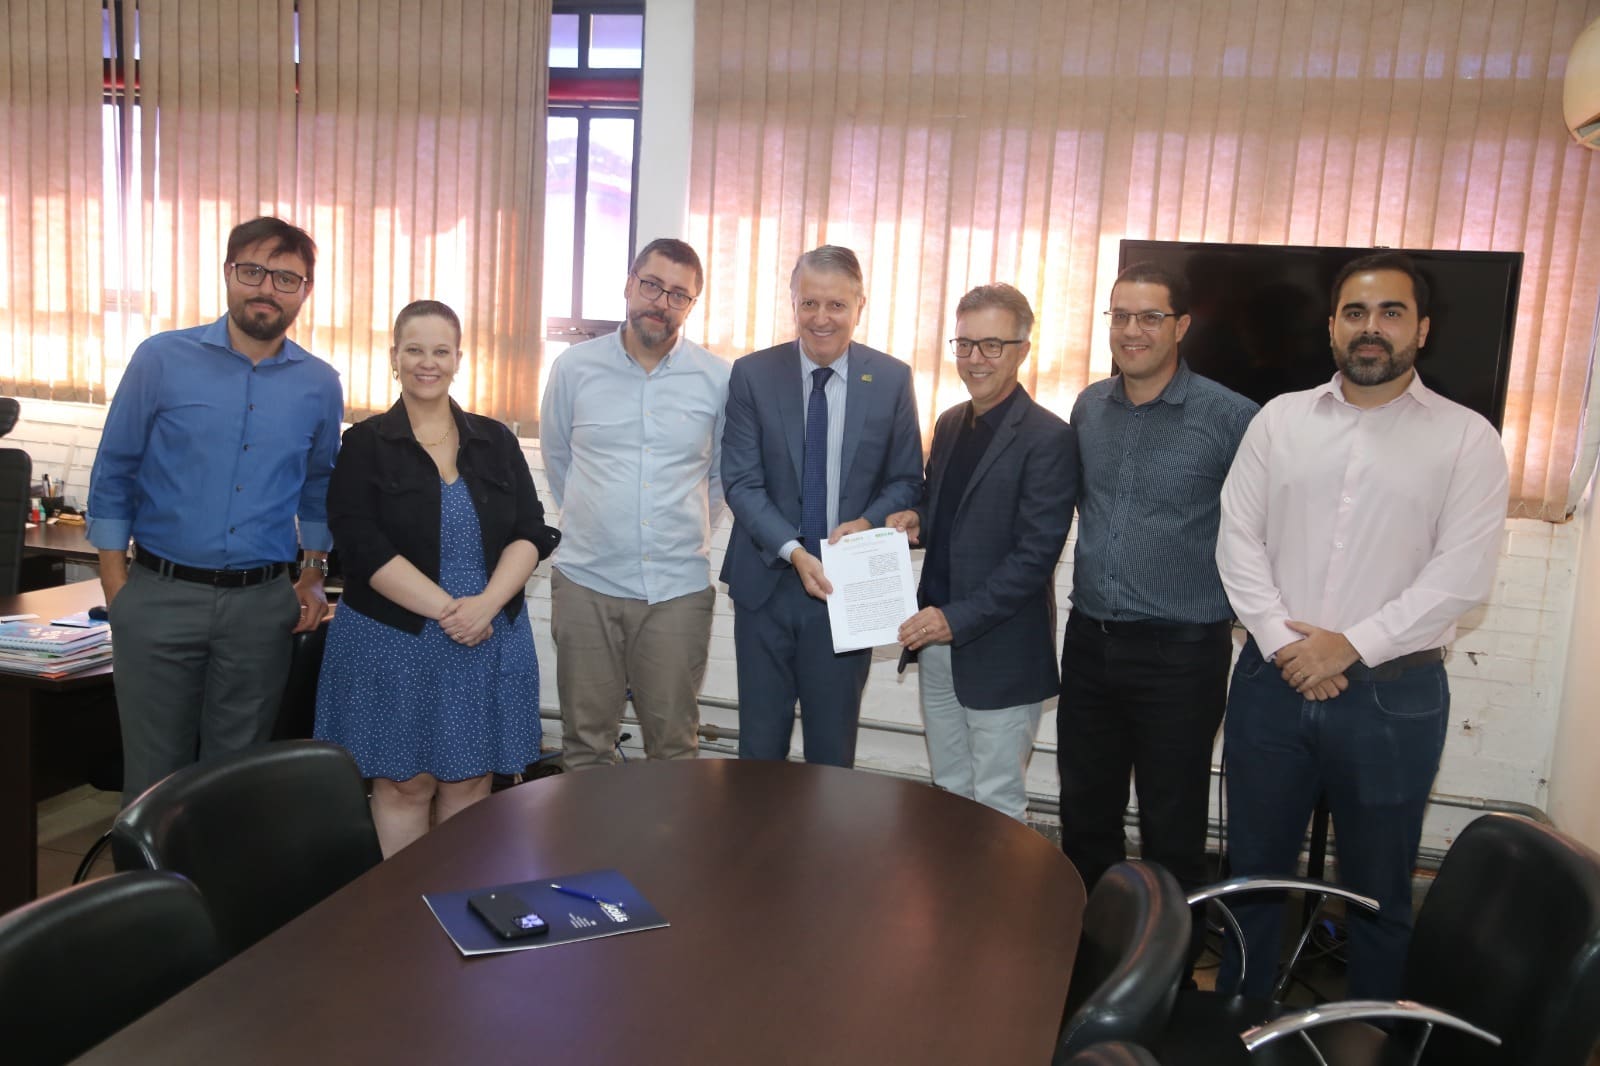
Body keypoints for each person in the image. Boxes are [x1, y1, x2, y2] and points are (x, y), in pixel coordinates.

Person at [1215, 251, 1509, 1000]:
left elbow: (1461, 576)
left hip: (1392, 698)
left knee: (1379, 888)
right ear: (1332, 327)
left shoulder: (1467, 439)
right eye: (1355, 312)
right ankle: (1238, 1024)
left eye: (1390, 312)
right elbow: (1237, 540)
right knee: (1253, 875)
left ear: (1422, 329)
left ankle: (1375, 1029)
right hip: (1271, 685)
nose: (1370, 327)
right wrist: (1287, 647)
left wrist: (1347, 646)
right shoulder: (1279, 420)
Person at [87, 216, 342, 804]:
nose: (267, 289)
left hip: (260, 608)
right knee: (153, 784)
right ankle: (148, 872)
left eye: (285, 278)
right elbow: (115, 467)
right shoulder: (160, 359)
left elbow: (319, 485)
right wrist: (116, 584)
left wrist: (312, 573)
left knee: (235, 784)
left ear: (305, 290)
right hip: (158, 596)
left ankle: (222, 871)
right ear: (228, 273)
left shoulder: (320, 384)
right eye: (253, 271)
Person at [314, 300, 560, 856]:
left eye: (441, 351)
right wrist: (453, 612)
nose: (428, 362)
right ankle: (400, 906)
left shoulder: (496, 440)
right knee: (404, 785)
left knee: (470, 783)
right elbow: (360, 545)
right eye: (415, 350)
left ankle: (454, 903)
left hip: (486, 635)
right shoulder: (365, 444)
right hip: (394, 639)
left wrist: (485, 605)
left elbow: (531, 530)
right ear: (394, 358)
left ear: (458, 359)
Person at [1056, 262, 1258, 902]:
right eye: (1120, 316)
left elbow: (1266, 529)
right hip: (1089, 644)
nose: (1132, 331)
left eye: (1150, 317)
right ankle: (1090, 945)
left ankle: (1170, 957)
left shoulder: (1233, 418)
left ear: (1182, 325)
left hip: (1182, 656)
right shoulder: (1089, 407)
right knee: (1085, 815)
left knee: (1172, 826)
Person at [721, 245, 923, 767]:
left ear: (860, 305)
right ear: (793, 302)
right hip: (767, 584)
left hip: (847, 590)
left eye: (836, 305)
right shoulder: (752, 374)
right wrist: (792, 550)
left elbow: (907, 479)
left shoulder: (892, 379)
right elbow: (741, 481)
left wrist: (869, 521)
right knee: (759, 752)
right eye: (809, 303)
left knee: (832, 756)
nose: (821, 318)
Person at [887, 284, 1076, 821]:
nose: (975, 359)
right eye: (965, 344)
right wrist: (918, 518)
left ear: (1022, 350)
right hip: (937, 641)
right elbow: (945, 504)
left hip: (1001, 651)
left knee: (996, 803)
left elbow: (1034, 557)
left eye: (992, 345)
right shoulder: (950, 422)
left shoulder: (1049, 438)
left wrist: (955, 619)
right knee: (949, 791)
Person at [540, 239, 730, 770]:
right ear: (629, 285)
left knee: (674, 749)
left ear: (691, 305)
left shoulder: (718, 379)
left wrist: (680, 529)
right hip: (587, 583)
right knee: (585, 745)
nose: (660, 302)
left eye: (678, 295)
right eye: (651, 285)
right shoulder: (574, 368)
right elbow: (559, 459)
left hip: (676, 590)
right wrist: (604, 522)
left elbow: (719, 477)